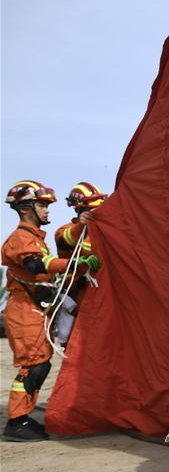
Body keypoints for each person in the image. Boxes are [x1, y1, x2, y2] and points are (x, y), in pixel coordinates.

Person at [2, 181, 87, 441]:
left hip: (33, 308)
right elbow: (37, 264)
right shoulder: (21, 238)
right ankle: (17, 422)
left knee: (40, 363)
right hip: (23, 310)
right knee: (33, 366)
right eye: (42, 205)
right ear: (26, 209)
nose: (48, 210)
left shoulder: (35, 238)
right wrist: (74, 264)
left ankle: (23, 416)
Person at [53, 182, 106, 348]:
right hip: (76, 298)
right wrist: (82, 225)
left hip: (101, 299)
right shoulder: (66, 230)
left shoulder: (106, 231)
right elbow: (67, 240)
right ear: (79, 210)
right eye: (91, 210)